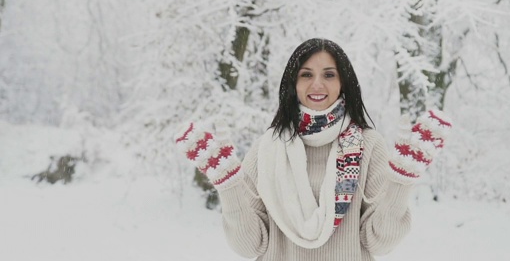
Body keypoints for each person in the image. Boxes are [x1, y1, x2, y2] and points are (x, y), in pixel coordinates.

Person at [175, 38, 452, 261]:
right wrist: (229, 185)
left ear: (343, 82)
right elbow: (250, 246)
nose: (317, 84)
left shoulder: (367, 146)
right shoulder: (267, 149)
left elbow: (378, 242)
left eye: (329, 75)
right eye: (306, 74)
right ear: (292, 85)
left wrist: (401, 183)